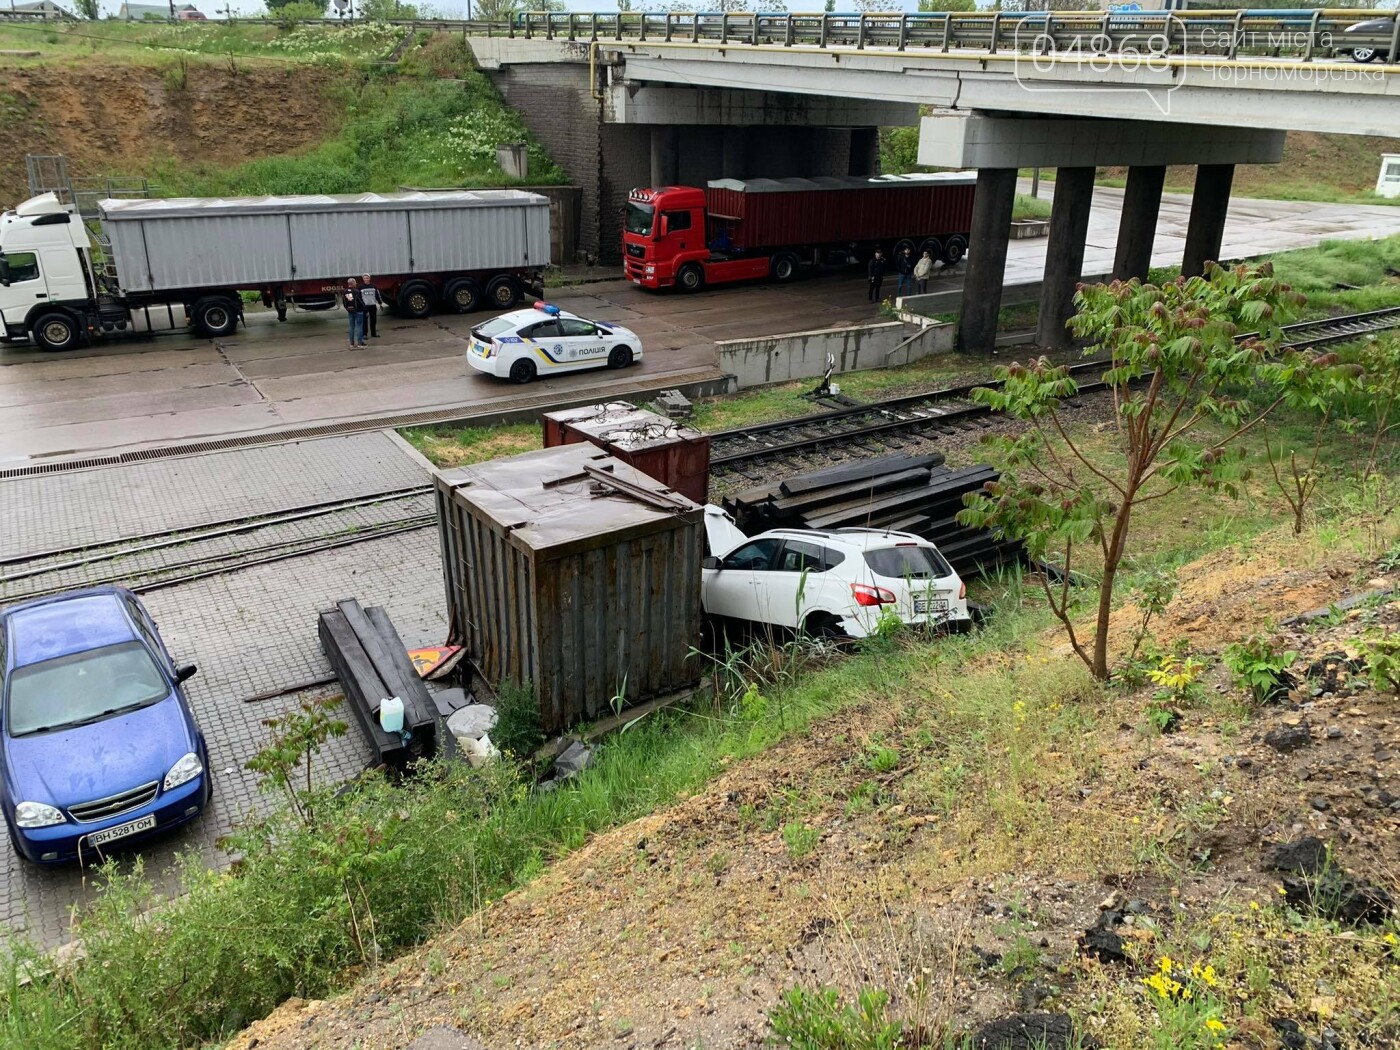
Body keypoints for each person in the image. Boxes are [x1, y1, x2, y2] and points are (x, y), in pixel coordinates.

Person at [342, 277, 365, 349]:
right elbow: (361, 302)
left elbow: (344, 302)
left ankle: (351, 344)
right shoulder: (357, 291)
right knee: (359, 327)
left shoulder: (345, 292)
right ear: (353, 283)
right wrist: (363, 309)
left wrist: (347, 309)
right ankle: (360, 343)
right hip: (358, 311)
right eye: (355, 282)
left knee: (351, 327)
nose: (356, 283)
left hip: (350, 311)